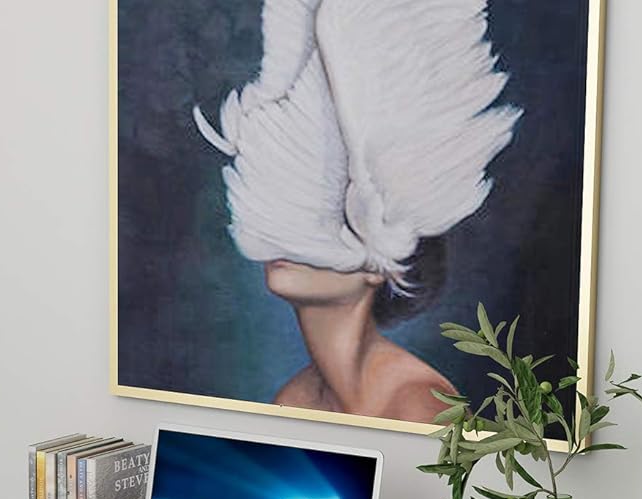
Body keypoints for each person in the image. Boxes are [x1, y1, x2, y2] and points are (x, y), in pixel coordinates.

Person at [195, 0, 519, 422]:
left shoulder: (419, 407)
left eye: (334, 215)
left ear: (380, 267)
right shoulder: (293, 401)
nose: (287, 238)